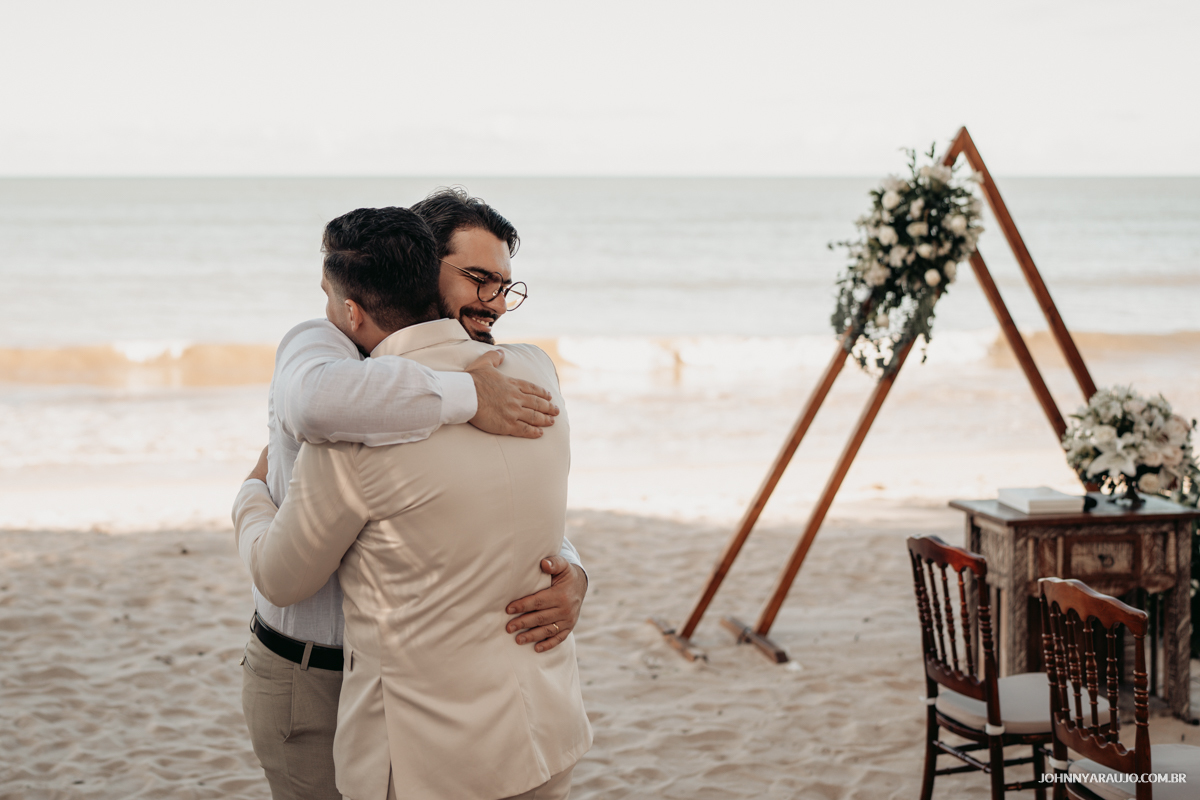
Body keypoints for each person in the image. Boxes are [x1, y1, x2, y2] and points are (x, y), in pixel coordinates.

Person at [237, 189, 589, 800]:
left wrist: (573, 569)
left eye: (506, 285)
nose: (496, 304)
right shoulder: (326, 350)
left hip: (429, 711)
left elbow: (505, 506)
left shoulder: (515, 371)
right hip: (313, 670)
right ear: (424, 269)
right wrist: (468, 396)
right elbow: (310, 404)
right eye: (479, 279)